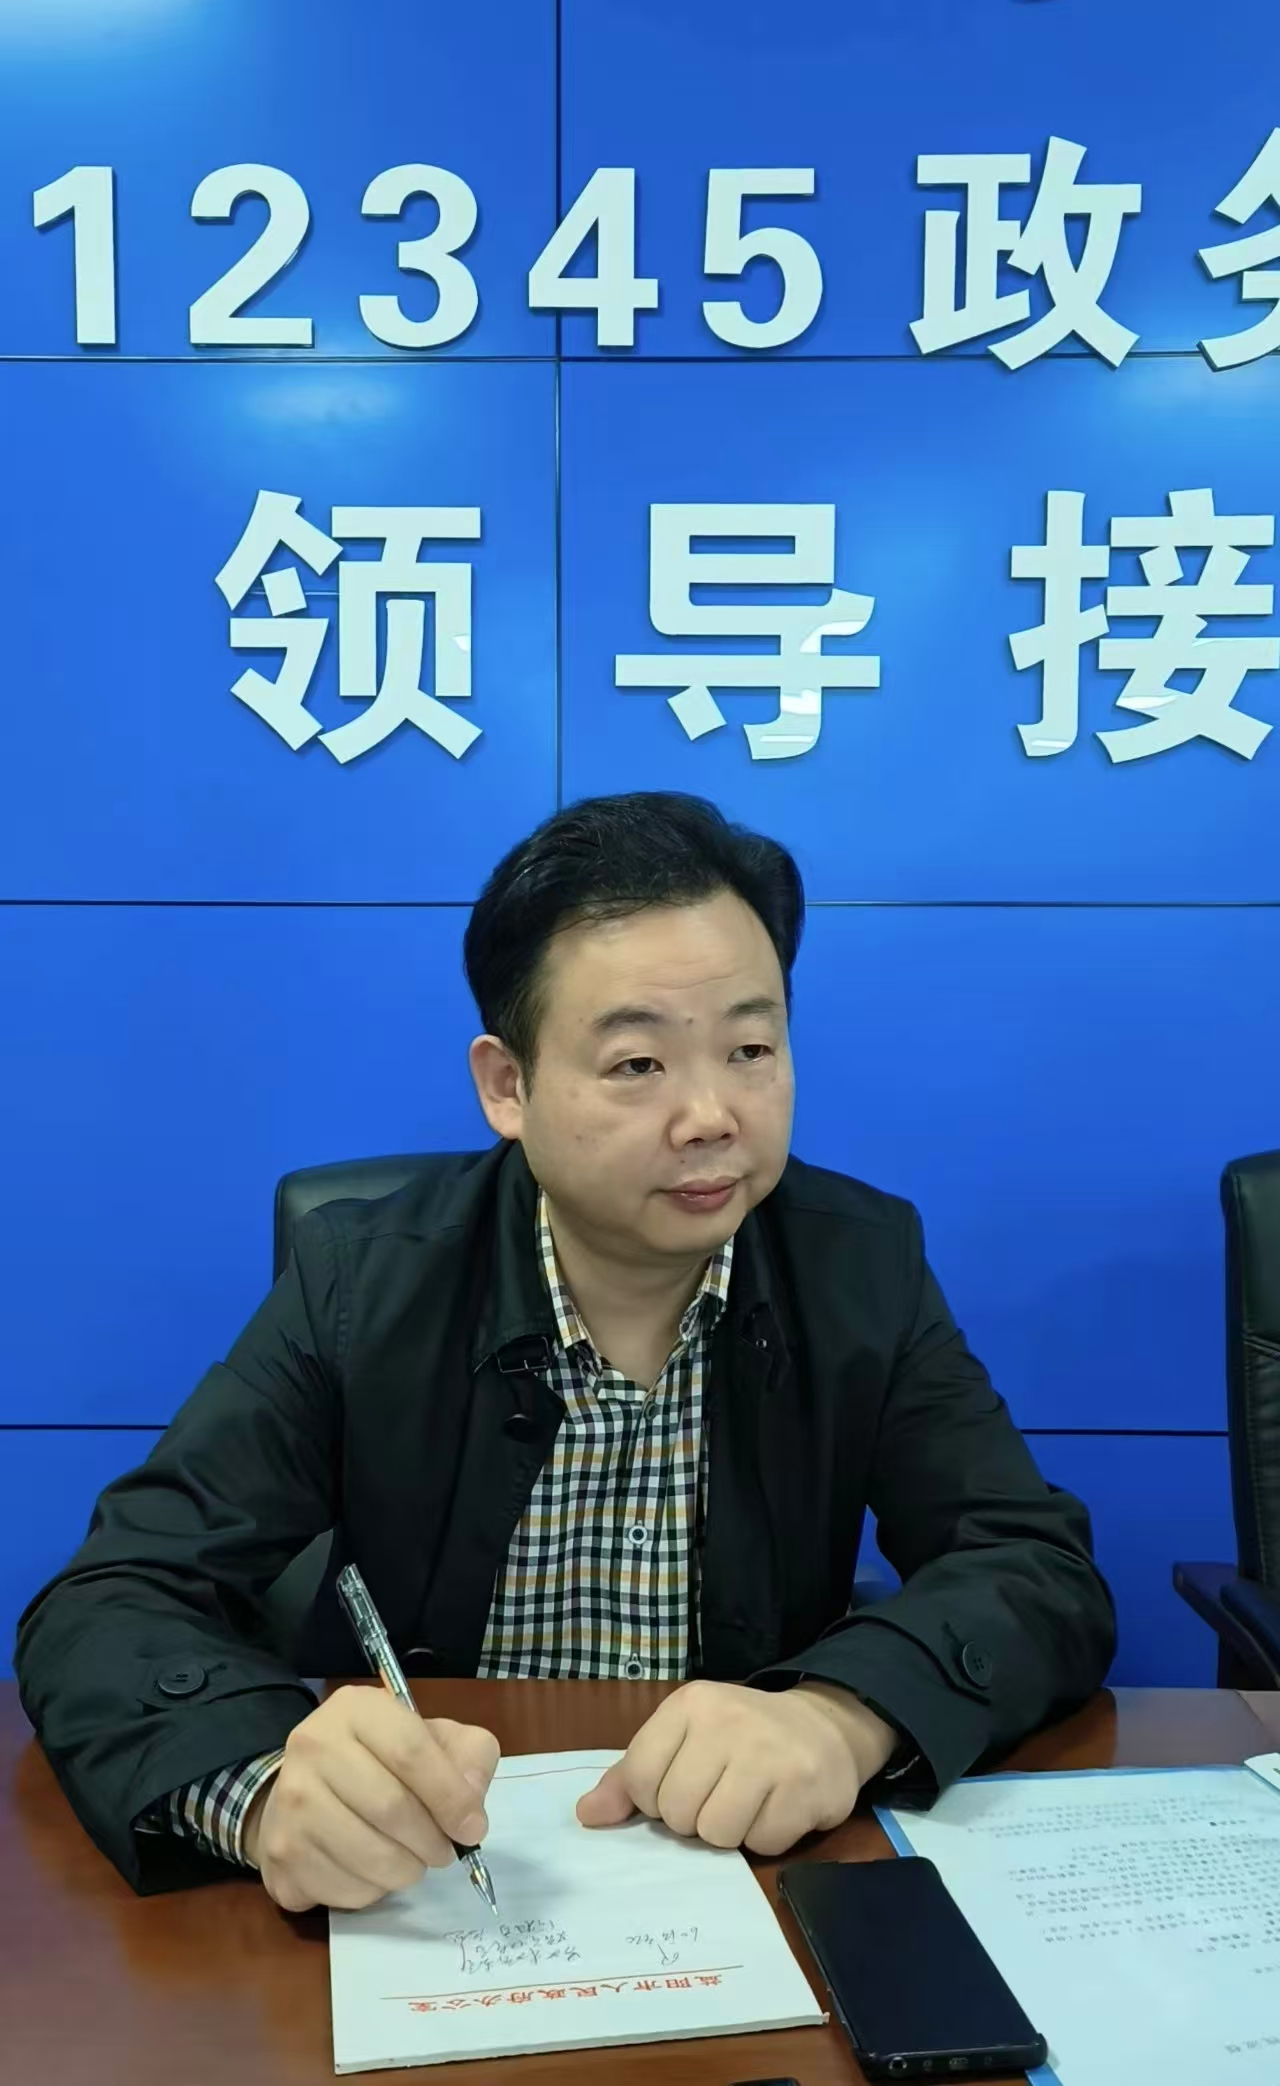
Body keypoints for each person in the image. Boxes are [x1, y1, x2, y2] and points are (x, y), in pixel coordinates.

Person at [16, 792, 1114, 1907]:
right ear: (508, 1084)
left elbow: (1037, 1569)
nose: (711, 1114)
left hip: (732, 1873)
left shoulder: (858, 1265)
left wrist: (842, 1714)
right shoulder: (364, 1282)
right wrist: (263, 1795)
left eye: (750, 1047)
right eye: (638, 1064)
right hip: (429, 1886)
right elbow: (110, 1599)